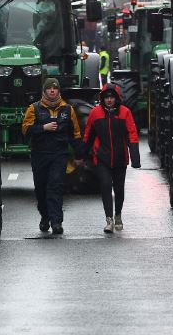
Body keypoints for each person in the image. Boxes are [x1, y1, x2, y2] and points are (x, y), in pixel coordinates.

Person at [21, 78, 82, 235]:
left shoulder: (68, 110)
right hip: (40, 154)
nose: (52, 91)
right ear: (44, 91)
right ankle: (45, 217)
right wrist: (43, 127)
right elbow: (26, 130)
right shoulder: (34, 108)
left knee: (55, 186)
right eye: (49, 89)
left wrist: (79, 154)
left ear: (59, 91)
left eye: (55, 89)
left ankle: (56, 222)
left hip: (59, 154)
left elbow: (75, 133)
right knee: (41, 188)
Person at [79, 83, 140, 233]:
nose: (109, 100)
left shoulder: (125, 113)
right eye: (106, 97)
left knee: (118, 189)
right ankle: (109, 220)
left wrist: (135, 158)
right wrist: (81, 155)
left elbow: (132, 134)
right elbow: (88, 136)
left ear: (117, 98)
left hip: (120, 158)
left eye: (112, 97)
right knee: (105, 186)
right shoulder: (95, 113)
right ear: (102, 99)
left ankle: (118, 214)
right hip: (102, 158)